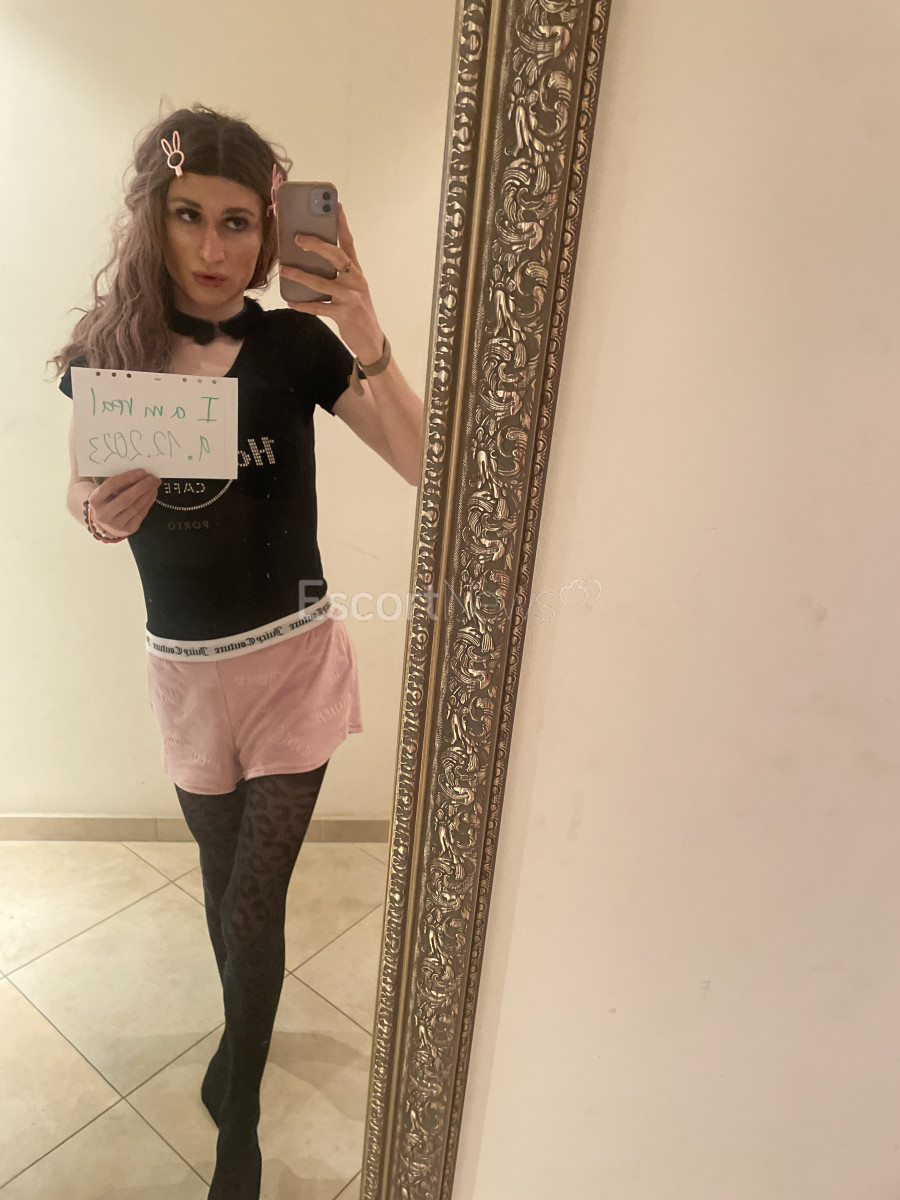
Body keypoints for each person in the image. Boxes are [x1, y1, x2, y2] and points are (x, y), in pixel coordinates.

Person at [51, 104, 424, 1200]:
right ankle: (237, 1041)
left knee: (255, 907)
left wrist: (364, 326)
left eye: (237, 222)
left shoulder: (296, 347)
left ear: (268, 231)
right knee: (224, 896)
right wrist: (98, 511)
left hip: (292, 667)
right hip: (186, 677)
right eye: (189, 217)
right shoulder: (110, 355)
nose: (214, 249)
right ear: (153, 218)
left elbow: (426, 462)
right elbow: (81, 490)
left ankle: (240, 1130)